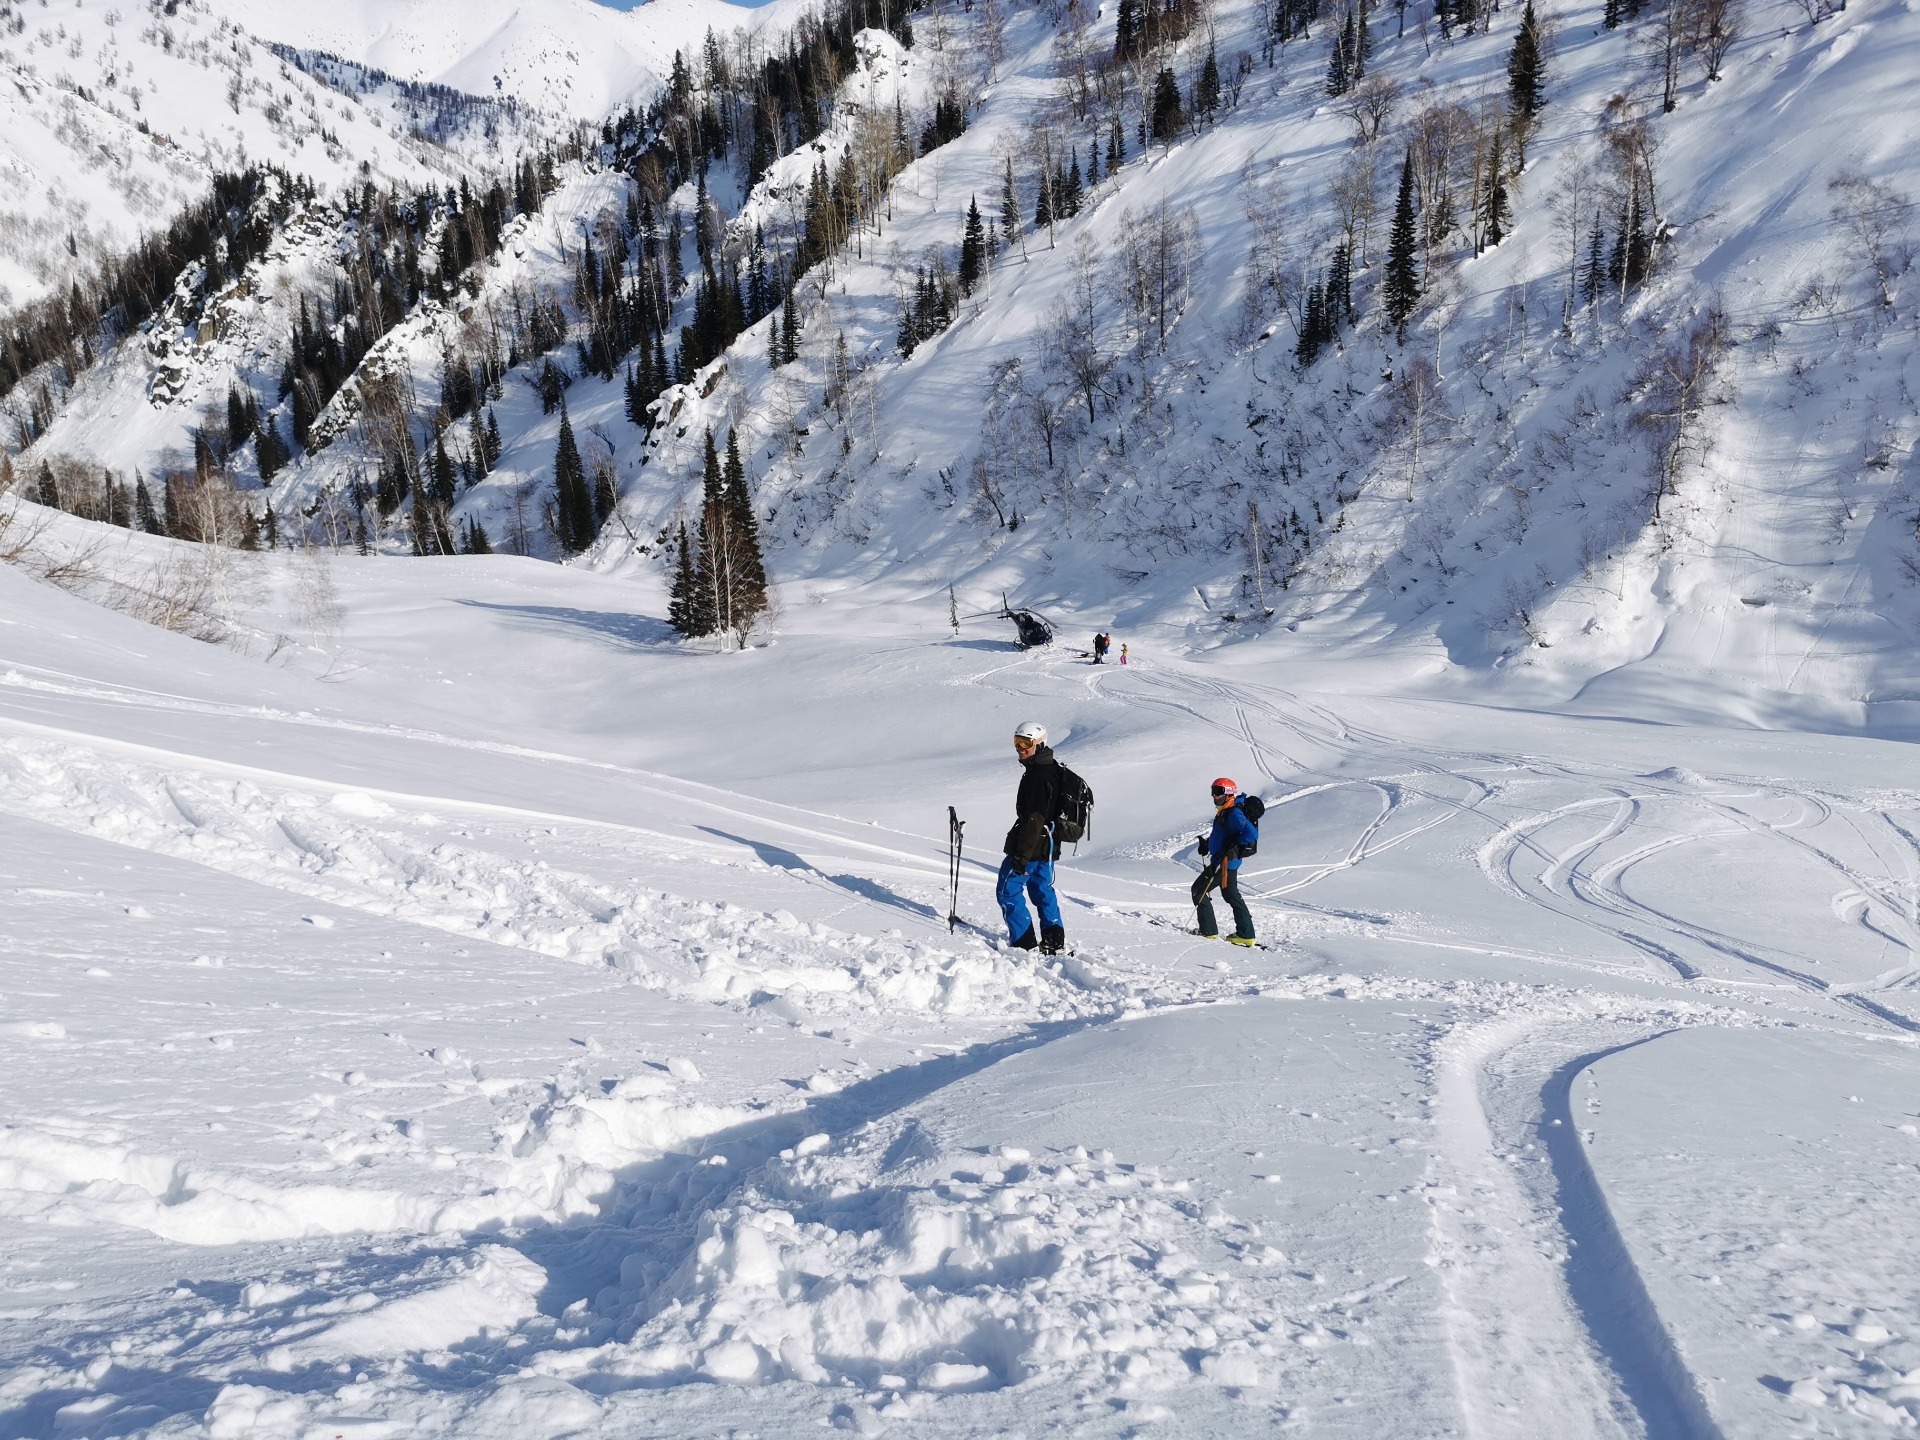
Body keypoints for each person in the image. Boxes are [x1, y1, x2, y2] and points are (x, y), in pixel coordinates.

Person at [998, 721, 1067, 954]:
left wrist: (1021, 855)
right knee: (1042, 890)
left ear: (1040, 744)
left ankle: (1023, 944)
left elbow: (1033, 819)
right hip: (1048, 845)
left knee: (1008, 890)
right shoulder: (1051, 768)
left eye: (1026, 742)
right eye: (1017, 742)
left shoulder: (1038, 776)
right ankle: (1054, 941)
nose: (1020, 748)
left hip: (1032, 846)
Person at [1194, 777, 1257, 946]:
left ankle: (1208, 932)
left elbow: (1251, 835)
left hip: (1225, 863)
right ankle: (1246, 934)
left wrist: (1234, 843)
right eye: (1213, 791)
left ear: (1228, 793)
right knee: (1230, 894)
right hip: (1227, 861)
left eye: (1218, 792)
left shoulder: (1233, 813)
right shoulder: (1225, 810)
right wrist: (1207, 845)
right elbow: (1224, 835)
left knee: (1199, 890)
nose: (1214, 796)